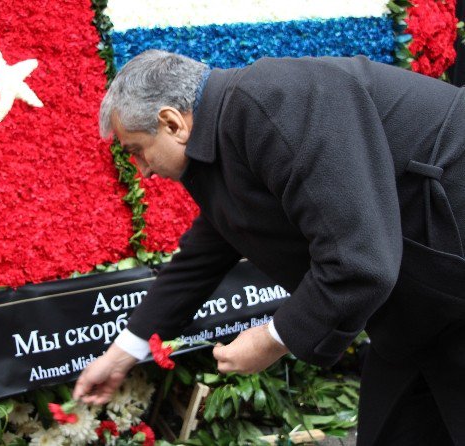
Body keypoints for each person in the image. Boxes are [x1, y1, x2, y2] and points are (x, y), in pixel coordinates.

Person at [73, 50, 465, 445]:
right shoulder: (222, 141)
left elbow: (359, 261)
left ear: (172, 123)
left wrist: (273, 338)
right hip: (418, 313)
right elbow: (199, 260)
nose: (143, 170)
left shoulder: (274, 100)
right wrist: (121, 354)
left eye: (137, 149)